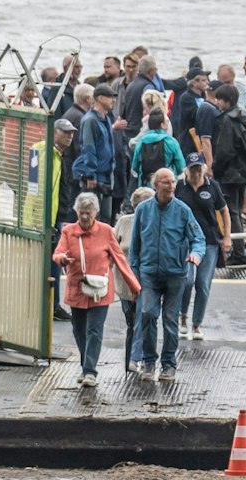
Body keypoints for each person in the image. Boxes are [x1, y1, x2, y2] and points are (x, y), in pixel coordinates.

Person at [125, 168, 205, 383]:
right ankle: (149, 362)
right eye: (165, 182)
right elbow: (135, 246)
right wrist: (134, 276)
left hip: (176, 274)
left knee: (170, 320)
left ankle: (168, 364)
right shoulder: (143, 210)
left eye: (172, 182)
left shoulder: (182, 210)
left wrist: (195, 255)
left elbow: (198, 238)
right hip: (148, 273)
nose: (171, 186)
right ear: (155, 185)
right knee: (148, 314)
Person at [53, 193, 139, 386]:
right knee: (78, 330)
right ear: (76, 212)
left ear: (96, 213)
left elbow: (120, 260)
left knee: (94, 329)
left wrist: (134, 286)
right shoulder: (69, 231)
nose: (84, 217)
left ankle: (90, 371)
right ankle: (86, 365)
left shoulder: (106, 231)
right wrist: (62, 259)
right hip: (77, 288)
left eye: (88, 213)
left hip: (100, 290)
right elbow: (58, 252)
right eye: (81, 213)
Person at [177, 154, 229, 339]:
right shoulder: (179, 187)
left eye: (199, 168)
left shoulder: (212, 186)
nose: (196, 172)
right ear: (187, 169)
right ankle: (182, 316)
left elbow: (224, 211)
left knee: (203, 284)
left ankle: (196, 323)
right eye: (193, 168)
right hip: (186, 242)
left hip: (209, 241)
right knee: (187, 280)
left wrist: (227, 237)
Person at [210, 84, 246, 260]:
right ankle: (239, 249)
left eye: (219, 99)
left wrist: (215, 168)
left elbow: (225, 150)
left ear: (227, 101)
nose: (217, 102)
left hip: (230, 173)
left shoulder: (227, 121)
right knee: (236, 209)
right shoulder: (243, 117)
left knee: (231, 212)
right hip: (243, 172)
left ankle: (238, 252)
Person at [114, 185, 156, 367]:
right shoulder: (124, 222)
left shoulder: (155, 222)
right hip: (124, 282)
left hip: (146, 279)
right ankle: (131, 358)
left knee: (142, 317)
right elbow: (112, 247)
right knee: (132, 322)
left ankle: (135, 358)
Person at [76, 84, 120, 220]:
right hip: (96, 176)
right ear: (100, 98)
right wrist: (90, 175)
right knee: (94, 215)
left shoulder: (106, 118)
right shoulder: (90, 120)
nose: (113, 101)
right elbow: (88, 148)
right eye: (110, 97)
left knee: (106, 216)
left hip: (107, 175)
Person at [129, 107, 185, 192]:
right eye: (166, 121)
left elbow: (135, 168)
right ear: (162, 125)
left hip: (146, 187)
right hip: (166, 188)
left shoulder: (141, 142)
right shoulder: (170, 142)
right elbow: (181, 167)